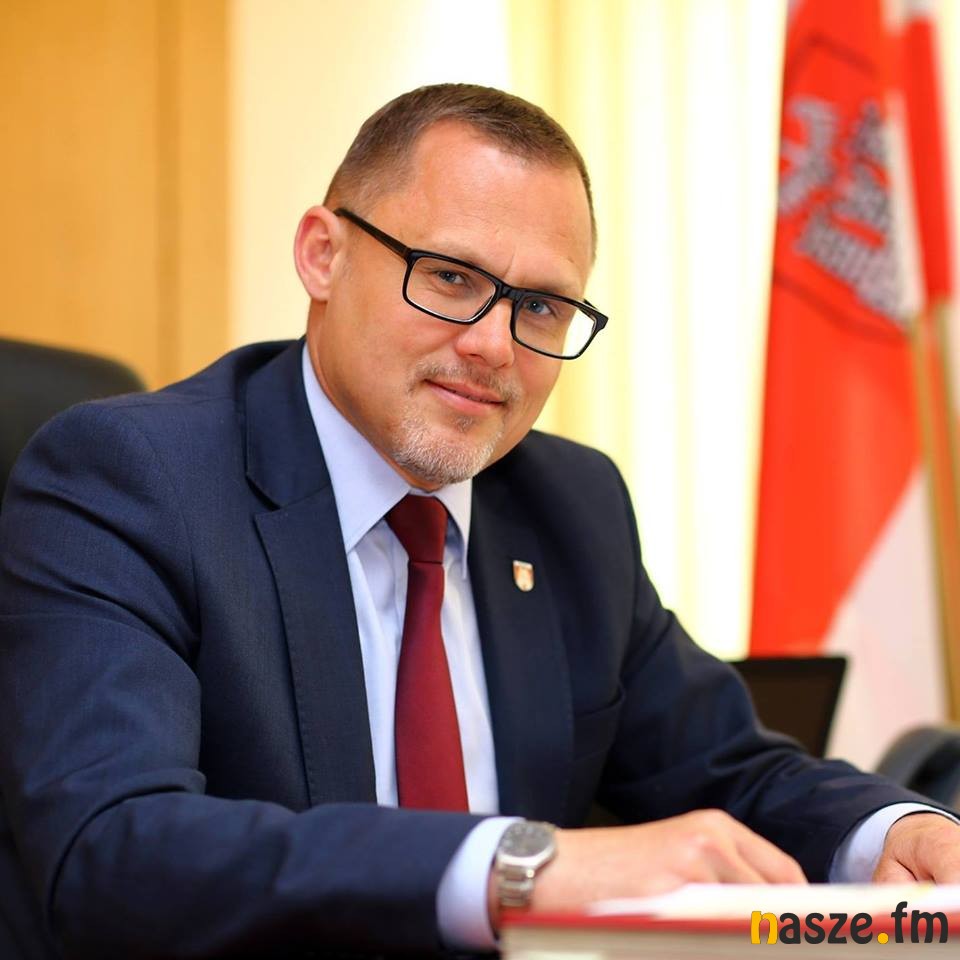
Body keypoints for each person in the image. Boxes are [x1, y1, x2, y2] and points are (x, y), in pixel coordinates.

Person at [0, 83, 958, 960]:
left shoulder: (571, 505)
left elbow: (727, 771)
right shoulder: (132, 479)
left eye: (540, 306)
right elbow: (112, 850)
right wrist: (521, 870)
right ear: (323, 255)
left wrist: (899, 831)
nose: (494, 345)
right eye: (451, 277)